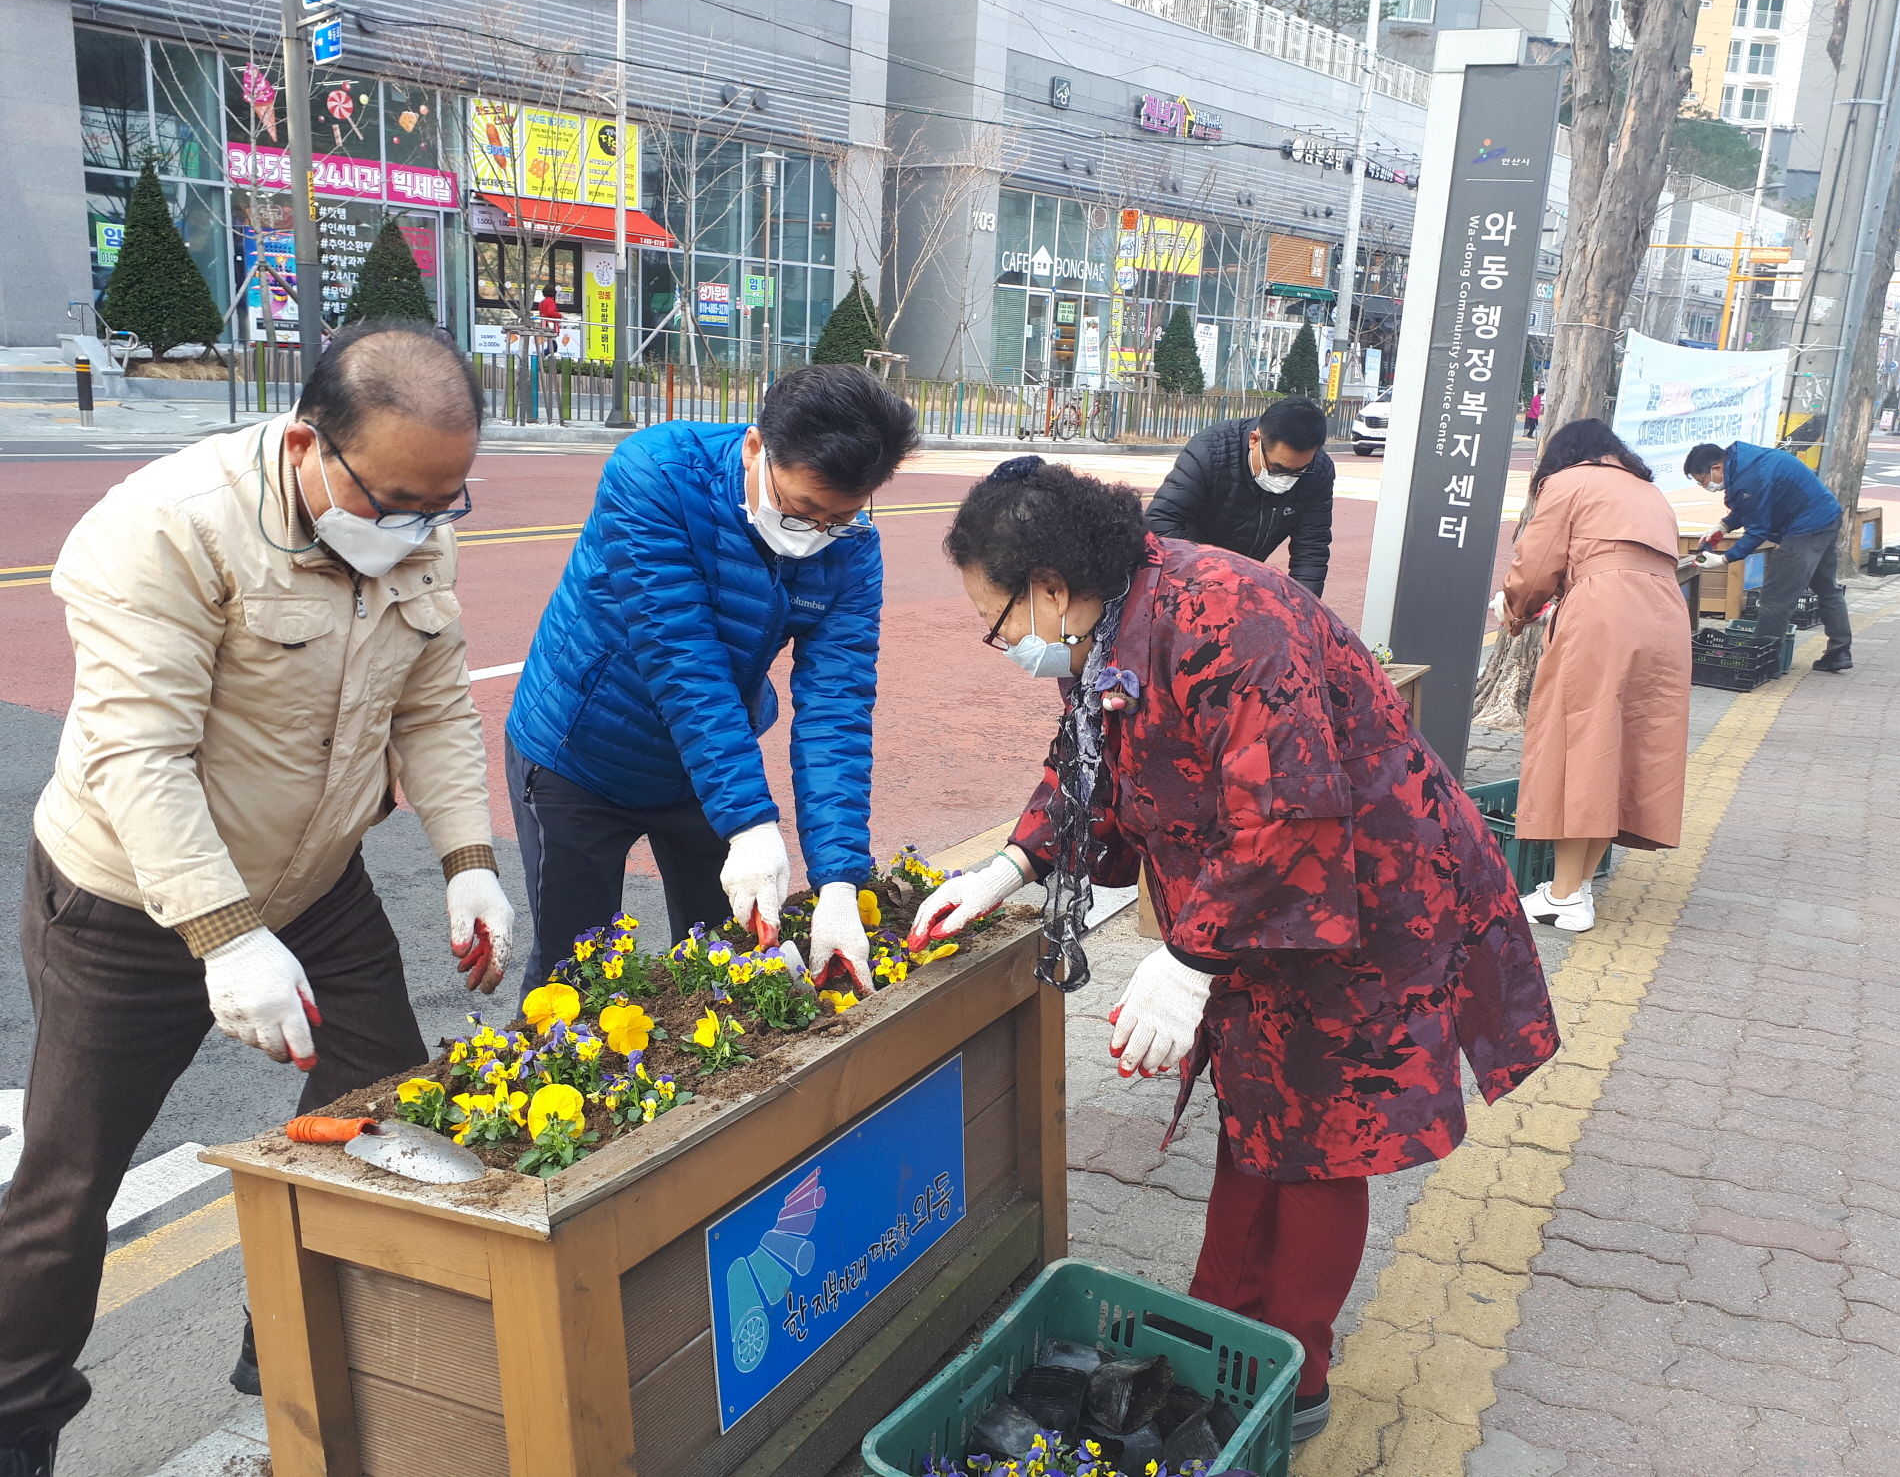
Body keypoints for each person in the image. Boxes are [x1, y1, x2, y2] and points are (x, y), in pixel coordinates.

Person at [906, 457, 1558, 1444]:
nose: (1002, 643)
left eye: (995, 620)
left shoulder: (1224, 617)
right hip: (1257, 904)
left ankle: (1292, 1377)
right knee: (1259, 1110)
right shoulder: (1113, 620)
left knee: (1321, 1136)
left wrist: (1187, 961)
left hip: (1364, 902)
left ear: (1046, 588)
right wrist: (1008, 866)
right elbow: (1086, 767)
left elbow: (1291, 815)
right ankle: (1220, 1323)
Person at [0, 323, 514, 1474]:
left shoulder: (411, 524)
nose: (420, 530)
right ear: (305, 444)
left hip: (314, 879)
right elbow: (139, 756)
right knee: (71, 1175)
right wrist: (226, 936)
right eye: (396, 501)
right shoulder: (162, 529)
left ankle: (287, 1330)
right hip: (129, 899)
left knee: (383, 1097)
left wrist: (467, 858)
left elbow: (430, 704)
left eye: (447, 504)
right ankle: (17, 1424)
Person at [505, 365, 920, 994]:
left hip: (706, 769)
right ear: (756, 448)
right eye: (803, 508)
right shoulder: (655, 474)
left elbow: (836, 706)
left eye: (840, 517)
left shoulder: (851, 547)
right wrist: (753, 825)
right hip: (581, 753)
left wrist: (838, 880)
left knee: (725, 957)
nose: (817, 536)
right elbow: (682, 659)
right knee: (574, 975)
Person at [1500, 420, 1692, 933]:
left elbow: (1536, 564)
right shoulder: (1649, 490)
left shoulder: (1567, 481)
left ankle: (1564, 895)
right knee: (1624, 747)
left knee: (1579, 745)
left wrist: (1516, 611)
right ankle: (1574, 889)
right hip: (1668, 618)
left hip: (1604, 612)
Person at [1685, 439, 1853, 672]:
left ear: (1716, 468)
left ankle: (1763, 662)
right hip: (1825, 517)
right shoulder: (1744, 463)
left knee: (1775, 598)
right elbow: (1752, 508)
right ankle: (1839, 650)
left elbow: (1757, 531)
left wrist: (1724, 559)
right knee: (1826, 588)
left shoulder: (1750, 477)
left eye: (1702, 481)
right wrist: (1723, 526)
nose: (1705, 487)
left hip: (1805, 528)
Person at [1143, 396, 1335, 596]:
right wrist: (1215, 574)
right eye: (1277, 469)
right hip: (1186, 574)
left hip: (1241, 580)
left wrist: (1303, 611)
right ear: (1254, 440)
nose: (1286, 479)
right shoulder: (1211, 450)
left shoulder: (1318, 470)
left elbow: (1311, 549)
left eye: (1298, 471)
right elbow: (1161, 521)